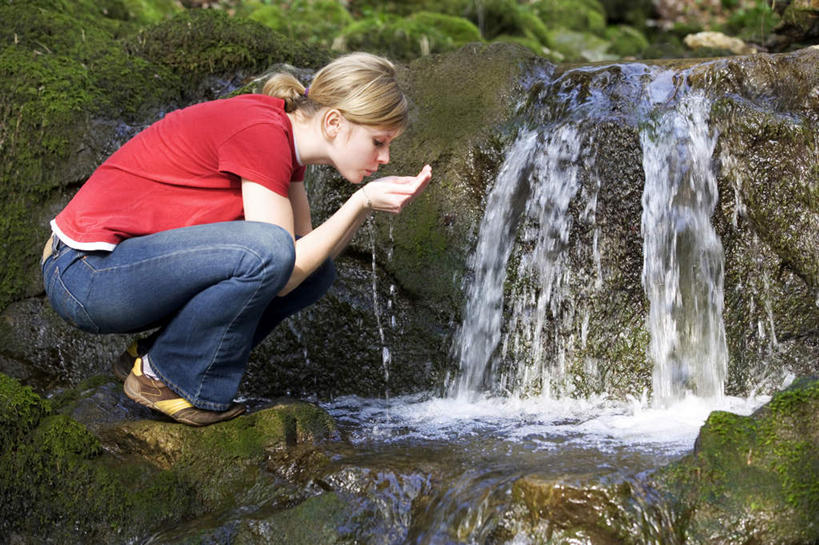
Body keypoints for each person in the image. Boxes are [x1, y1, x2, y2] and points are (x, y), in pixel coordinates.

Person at [41, 52, 432, 426]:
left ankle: (149, 359)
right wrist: (360, 200)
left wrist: (361, 208)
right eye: (379, 141)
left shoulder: (285, 142)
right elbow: (282, 263)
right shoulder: (262, 133)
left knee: (318, 271)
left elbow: (305, 258)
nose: (385, 157)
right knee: (272, 251)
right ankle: (165, 377)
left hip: (115, 274)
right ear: (333, 123)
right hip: (83, 271)